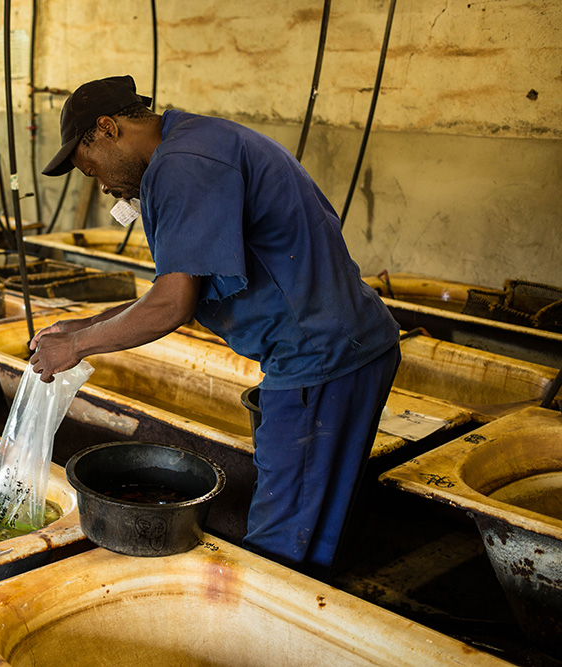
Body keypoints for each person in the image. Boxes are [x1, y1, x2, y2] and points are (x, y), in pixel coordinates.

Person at [30, 75, 401, 581]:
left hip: (321, 361)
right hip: (332, 350)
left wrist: (75, 345)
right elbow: (181, 286)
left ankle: (273, 635)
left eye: (89, 166)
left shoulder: (182, 166)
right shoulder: (196, 142)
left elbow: (171, 305)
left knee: (283, 541)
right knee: (312, 517)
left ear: (107, 129)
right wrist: (86, 323)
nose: (100, 184)